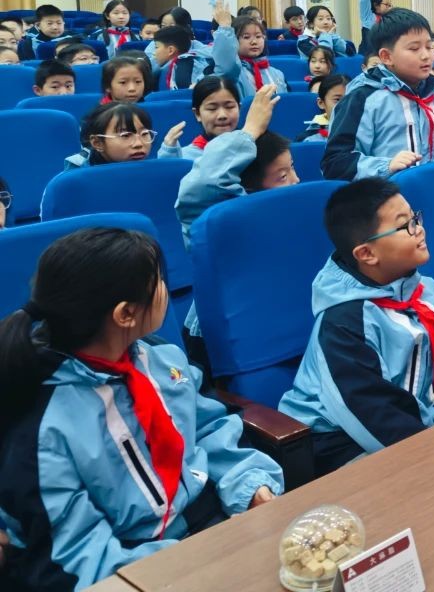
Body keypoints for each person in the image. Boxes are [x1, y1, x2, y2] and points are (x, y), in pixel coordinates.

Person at [0, 228, 283, 589]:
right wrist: (197, 564)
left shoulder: (159, 356)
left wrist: (250, 487)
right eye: (160, 281)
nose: (167, 288)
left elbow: (208, 428)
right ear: (126, 313)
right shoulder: (42, 425)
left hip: (209, 524)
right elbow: (76, 555)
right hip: (135, 564)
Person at [278, 180, 434, 474]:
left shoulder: (424, 289)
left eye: (416, 217)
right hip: (343, 438)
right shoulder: (344, 323)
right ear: (367, 254)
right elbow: (371, 412)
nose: (420, 230)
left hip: (420, 423)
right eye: (405, 226)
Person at [176, 86, 299, 351]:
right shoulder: (225, 217)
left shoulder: (291, 214)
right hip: (223, 337)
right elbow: (202, 186)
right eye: (282, 176)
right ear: (248, 189)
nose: (296, 181)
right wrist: (250, 131)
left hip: (281, 321)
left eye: (292, 169)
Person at [321, 8, 434, 180]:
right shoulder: (362, 100)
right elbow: (335, 164)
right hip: (385, 195)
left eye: (429, 47)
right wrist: (386, 166)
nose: (426, 55)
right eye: (414, 48)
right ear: (386, 57)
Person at [210, 1, 286, 100]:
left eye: (258, 36)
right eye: (246, 37)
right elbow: (227, 68)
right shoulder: (234, 72)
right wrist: (225, 28)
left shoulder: (277, 73)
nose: (254, 42)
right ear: (234, 41)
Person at [157, 76, 241, 162]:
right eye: (212, 109)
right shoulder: (185, 157)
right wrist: (169, 155)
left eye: (229, 107)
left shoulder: (248, 148)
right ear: (197, 114)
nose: (222, 115)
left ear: (239, 108)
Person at [63, 103, 156, 170]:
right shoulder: (77, 176)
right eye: (125, 135)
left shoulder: (155, 170)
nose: (139, 144)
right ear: (97, 143)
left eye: (144, 133)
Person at [152, 26, 213, 91]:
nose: (153, 53)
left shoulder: (182, 66)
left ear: (171, 50)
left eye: (156, 47)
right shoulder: (166, 68)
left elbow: (184, 95)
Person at [296, 74, 348, 143]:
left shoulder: (361, 133)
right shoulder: (309, 139)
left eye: (350, 99)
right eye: (337, 99)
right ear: (321, 103)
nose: (345, 105)